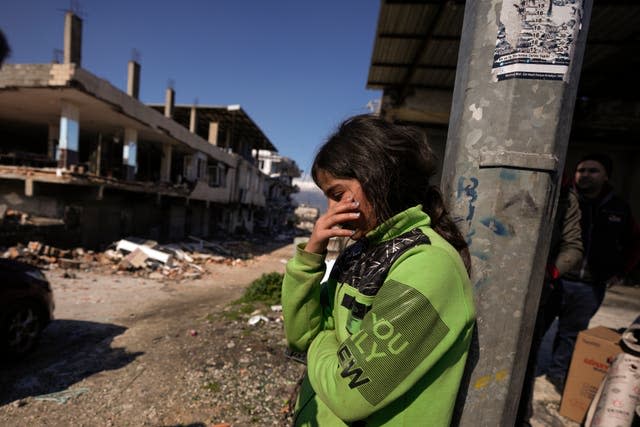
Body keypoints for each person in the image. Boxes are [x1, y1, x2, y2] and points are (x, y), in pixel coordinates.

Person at [281, 115, 476, 426]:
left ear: (378, 177)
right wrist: (310, 256)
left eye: (337, 194)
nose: (332, 211)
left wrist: (321, 339)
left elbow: (348, 393)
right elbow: (299, 334)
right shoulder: (360, 253)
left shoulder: (429, 266)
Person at [545, 153, 640, 389]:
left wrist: (620, 272)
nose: (585, 175)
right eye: (581, 170)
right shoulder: (564, 202)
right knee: (539, 329)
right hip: (558, 280)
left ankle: (556, 376)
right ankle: (530, 373)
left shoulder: (619, 209)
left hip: (590, 286)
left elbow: (635, 243)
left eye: (592, 171)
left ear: (606, 175)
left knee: (571, 334)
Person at [516, 173, 583, 425]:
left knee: (524, 360)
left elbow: (573, 247)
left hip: (534, 297)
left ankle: (519, 416)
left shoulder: (565, 196)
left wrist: (548, 273)